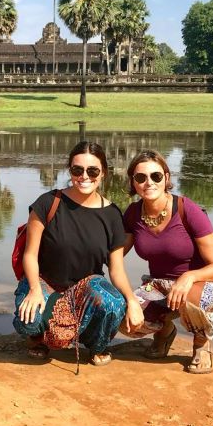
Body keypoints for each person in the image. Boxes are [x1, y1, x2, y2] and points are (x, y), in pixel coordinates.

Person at [13, 141, 144, 368]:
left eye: (92, 171)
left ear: (103, 173)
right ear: (70, 170)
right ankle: (38, 338)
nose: (84, 176)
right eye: (77, 170)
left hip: (85, 291)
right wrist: (34, 289)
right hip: (47, 284)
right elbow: (30, 255)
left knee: (113, 304)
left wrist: (132, 300)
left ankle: (96, 344)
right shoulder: (48, 203)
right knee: (29, 320)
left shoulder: (112, 215)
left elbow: (116, 268)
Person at [122, 150, 213, 374]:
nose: (148, 183)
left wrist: (189, 276)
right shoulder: (133, 214)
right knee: (124, 321)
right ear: (133, 182)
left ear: (166, 178)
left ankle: (202, 343)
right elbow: (114, 254)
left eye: (155, 176)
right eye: (140, 178)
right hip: (160, 285)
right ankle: (165, 331)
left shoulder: (186, 209)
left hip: (205, 283)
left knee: (193, 299)